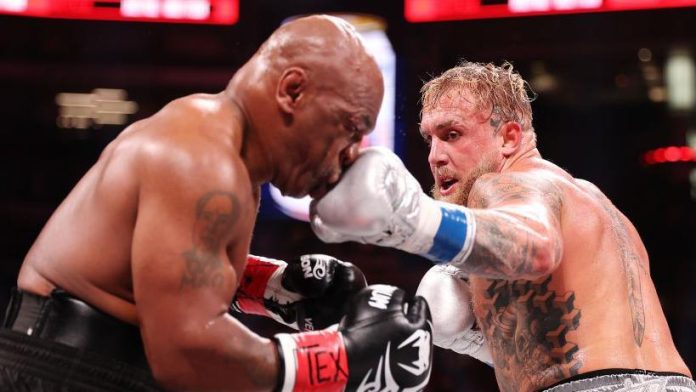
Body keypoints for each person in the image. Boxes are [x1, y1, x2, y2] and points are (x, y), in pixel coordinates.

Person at [0, 15, 435, 392]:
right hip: (67, 371)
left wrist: (276, 289)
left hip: (90, 367)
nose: (351, 153)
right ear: (293, 91)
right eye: (350, 126)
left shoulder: (218, 149)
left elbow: (164, 268)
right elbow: (187, 354)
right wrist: (341, 359)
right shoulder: (200, 160)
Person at [310, 61, 696, 392]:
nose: (435, 156)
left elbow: (536, 245)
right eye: (430, 138)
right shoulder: (592, 202)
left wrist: (408, 218)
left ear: (509, 137)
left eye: (453, 134)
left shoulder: (506, 183)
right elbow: (570, 342)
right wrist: (469, 337)